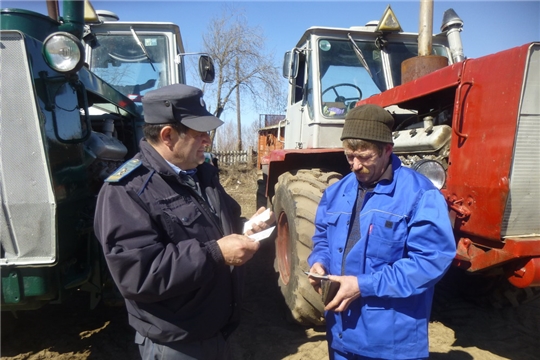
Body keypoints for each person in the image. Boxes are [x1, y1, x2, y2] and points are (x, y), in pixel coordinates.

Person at [94, 84, 274, 360]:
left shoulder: (201, 173)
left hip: (217, 331)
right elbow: (138, 274)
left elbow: (217, 225)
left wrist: (245, 227)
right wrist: (216, 253)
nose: (207, 141)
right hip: (177, 344)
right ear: (168, 135)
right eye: (199, 133)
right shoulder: (126, 190)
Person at [307, 104, 456, 360]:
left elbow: (430, 261)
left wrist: (363, 285)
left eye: (364, 157)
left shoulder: (420, 195)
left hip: (390, 344)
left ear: (387, 150)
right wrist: (319, 261)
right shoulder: (335, 193)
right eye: (349, 157)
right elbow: (322, 238)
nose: (354, 166)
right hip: (340, 336)